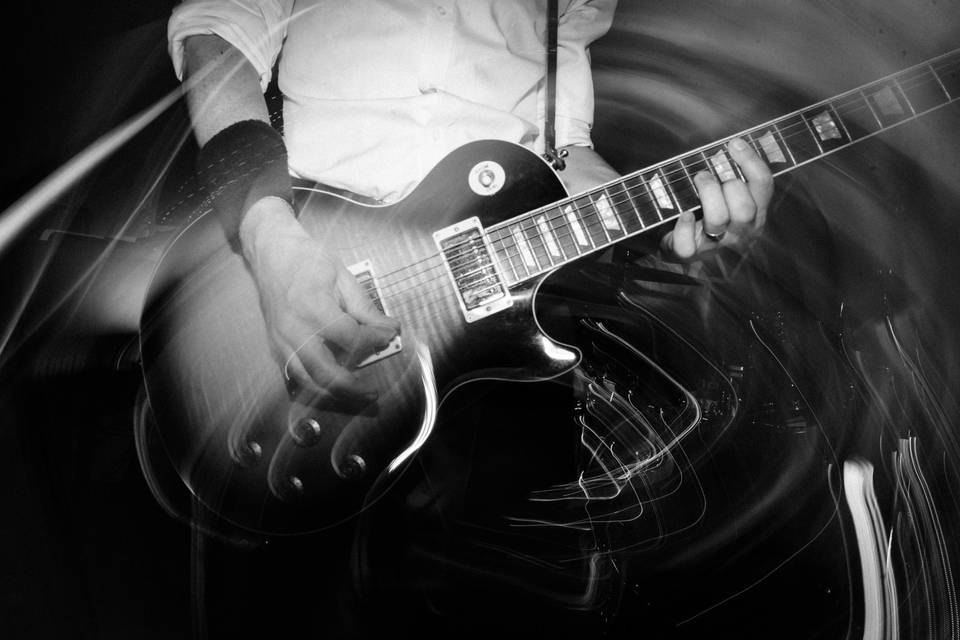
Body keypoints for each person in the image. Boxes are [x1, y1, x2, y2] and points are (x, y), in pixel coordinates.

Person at [168, 0, 774, 401]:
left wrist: (673, 227)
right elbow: (216, 37)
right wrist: (267, 234)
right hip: (306, 240)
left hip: (494, 312)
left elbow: (565, 151)